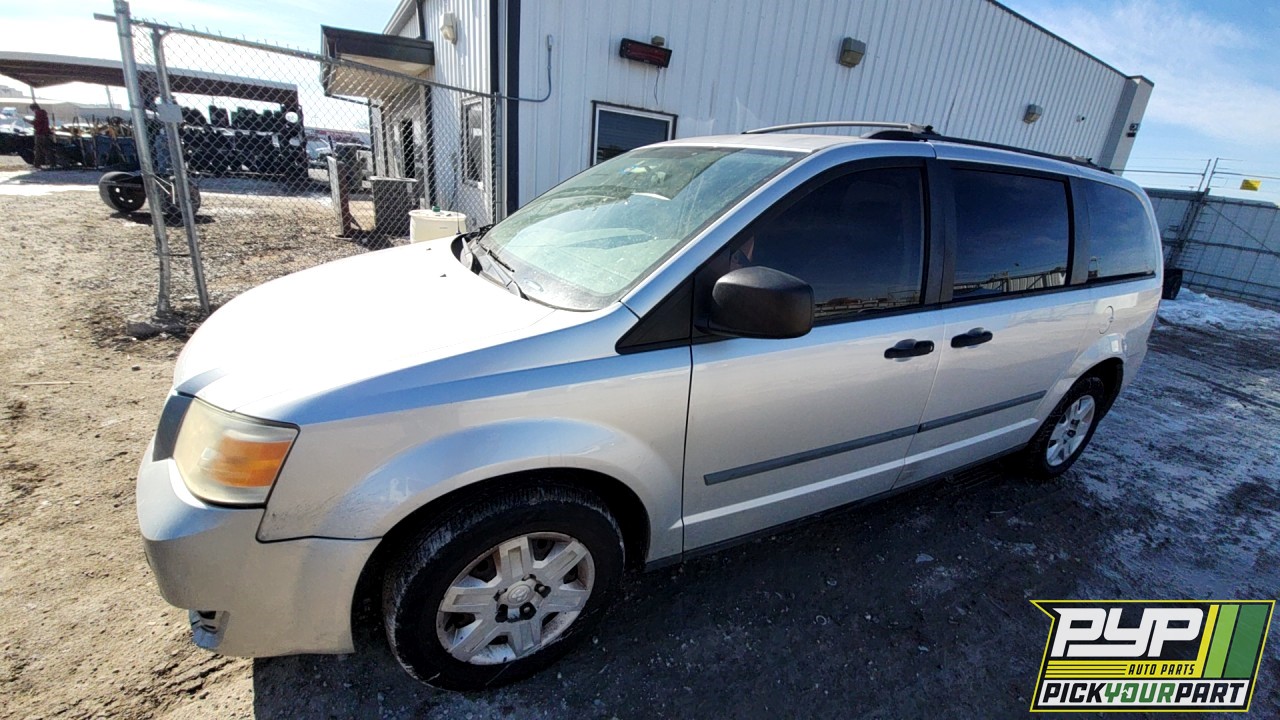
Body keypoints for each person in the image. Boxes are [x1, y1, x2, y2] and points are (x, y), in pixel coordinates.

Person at [30, 104, 53, 168]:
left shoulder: (39, 114)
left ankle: (38, 164)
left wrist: (29, 121)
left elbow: (36, 122)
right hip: (45, 133)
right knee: (44, 148)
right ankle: (50, 163)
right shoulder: (44, 113)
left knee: (40, 149)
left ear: (34, 109)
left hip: (40, 133)